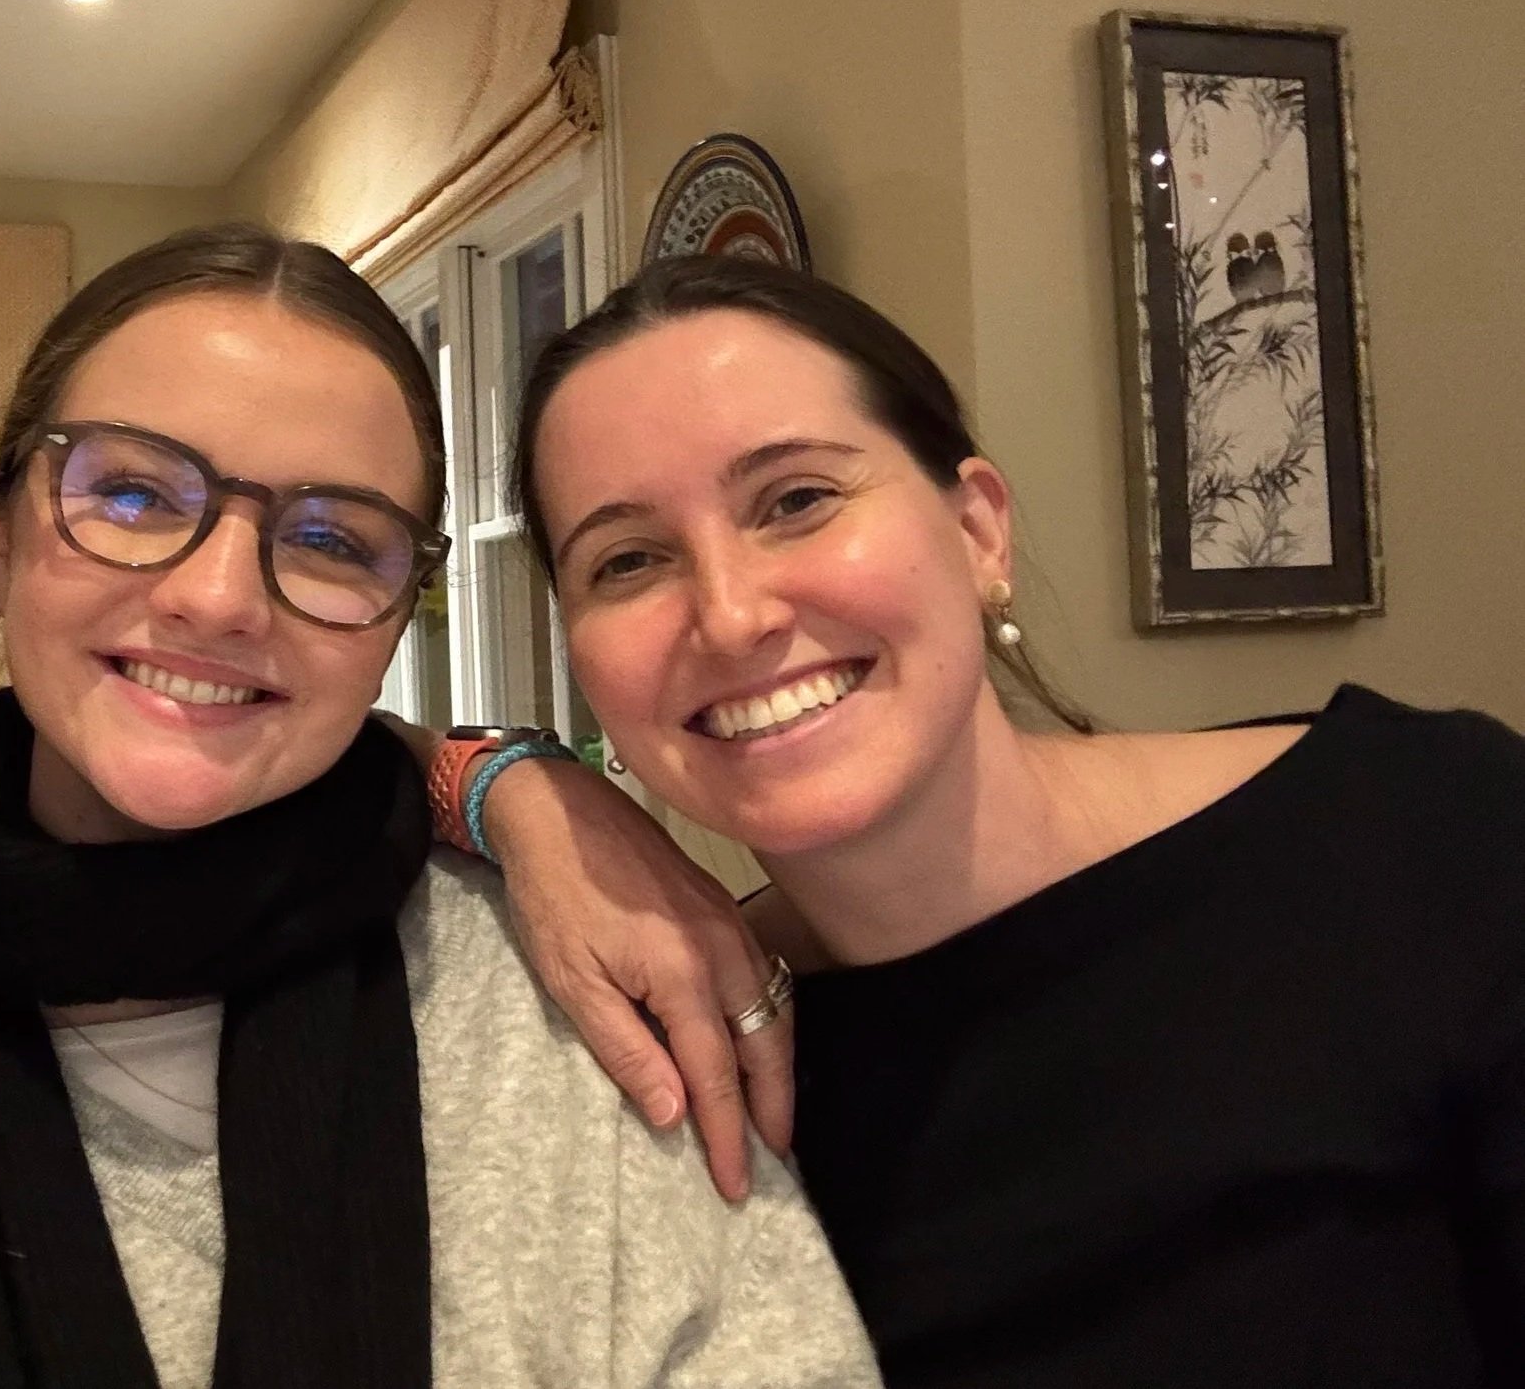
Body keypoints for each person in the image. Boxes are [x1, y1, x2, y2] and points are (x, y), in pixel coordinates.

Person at [0, 226, 879, 1387]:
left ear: (389, 626)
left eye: (329, 538)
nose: (217, 596)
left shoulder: (559, 995)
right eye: (129, 491)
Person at [508, 254, 1525, 1387]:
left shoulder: (1423, 837)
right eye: (629, 559)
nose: (732, 613)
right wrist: (505, 784)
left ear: (978, 532)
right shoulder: (663, 1061)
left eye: (796, 500)